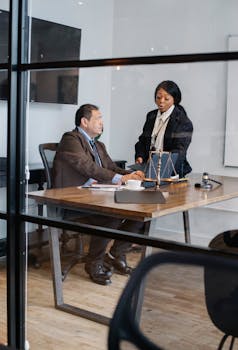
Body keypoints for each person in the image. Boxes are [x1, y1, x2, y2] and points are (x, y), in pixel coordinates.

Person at [52, 103, 145, 286]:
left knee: (140, 213)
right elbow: (88, 167)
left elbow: (111, 167)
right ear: (84, 121)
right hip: (73, 200)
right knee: (110, 217)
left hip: (94, 197)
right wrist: (121, 178)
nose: (102, 122)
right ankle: (93, 263)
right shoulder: (71, 138)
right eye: (99, 118)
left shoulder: (98, 144)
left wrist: (130, 174)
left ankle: (116, 254)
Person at [135, 80, 193, 177]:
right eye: (158, 97)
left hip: (171, 172)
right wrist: (139, 156)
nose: (161, 101)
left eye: (166, 99)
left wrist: (159, 166)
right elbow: (142, 140)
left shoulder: (183, 122)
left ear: (174, 99)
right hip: (148, 169)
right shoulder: (151, 116)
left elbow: (178, 153)